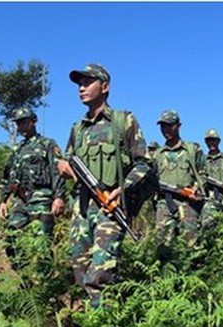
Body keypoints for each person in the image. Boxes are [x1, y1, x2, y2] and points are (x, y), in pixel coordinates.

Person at [58, 63, 153, 307]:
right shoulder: (77, 128)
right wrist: (65, 170)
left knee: (100, 274)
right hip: (81, 209)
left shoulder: (123, 120)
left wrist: (122, 190)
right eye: (79, 84)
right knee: (79, 272)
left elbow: (143, 163)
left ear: (105, 86)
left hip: (110, 208)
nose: (81, 88)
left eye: (87, 82)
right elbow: (68, 161)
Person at [0, 107, 65, 279]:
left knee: (41, 245)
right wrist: (3, 200)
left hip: (42, 199)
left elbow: (58, 170)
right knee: (11, 240)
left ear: (34, 121)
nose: (21, 126)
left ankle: (44, 286)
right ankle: (26, 278)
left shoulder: (47, 144)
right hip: (21, 201)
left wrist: (59, 197)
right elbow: (7, 176)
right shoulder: (17, 150)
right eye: (18, 123)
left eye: (24, 122)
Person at [152, 109, 205, 247]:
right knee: (162, 245)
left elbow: (203, 173)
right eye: (163, 126)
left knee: (190, 245)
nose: (165, 130)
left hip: (187, 203)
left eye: (169, 125)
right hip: (164, 203)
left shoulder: (192, 150)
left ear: (178, 126)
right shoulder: (157, 154)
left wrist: (196, 189)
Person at [202, 129, 223, 228]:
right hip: (210, 197)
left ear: (218, 141)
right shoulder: (203, 160)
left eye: (213, 140)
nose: (211, 143)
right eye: (208, 140)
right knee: (208, 225)